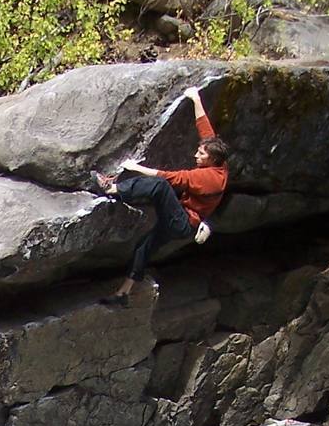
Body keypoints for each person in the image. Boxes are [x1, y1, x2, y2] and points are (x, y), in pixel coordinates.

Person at [89, 86, 228, 308]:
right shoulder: (220, 164)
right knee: (144, 247)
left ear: (211, 160)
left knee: (160, 187)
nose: (196, 155)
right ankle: (124, 293)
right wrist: (196, 99)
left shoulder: (206, 177)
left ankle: (112, 189)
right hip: (184, 221)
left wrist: (136, 167)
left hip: (181, 220)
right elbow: (207, 132)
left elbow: (170, 178)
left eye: (201, 154)